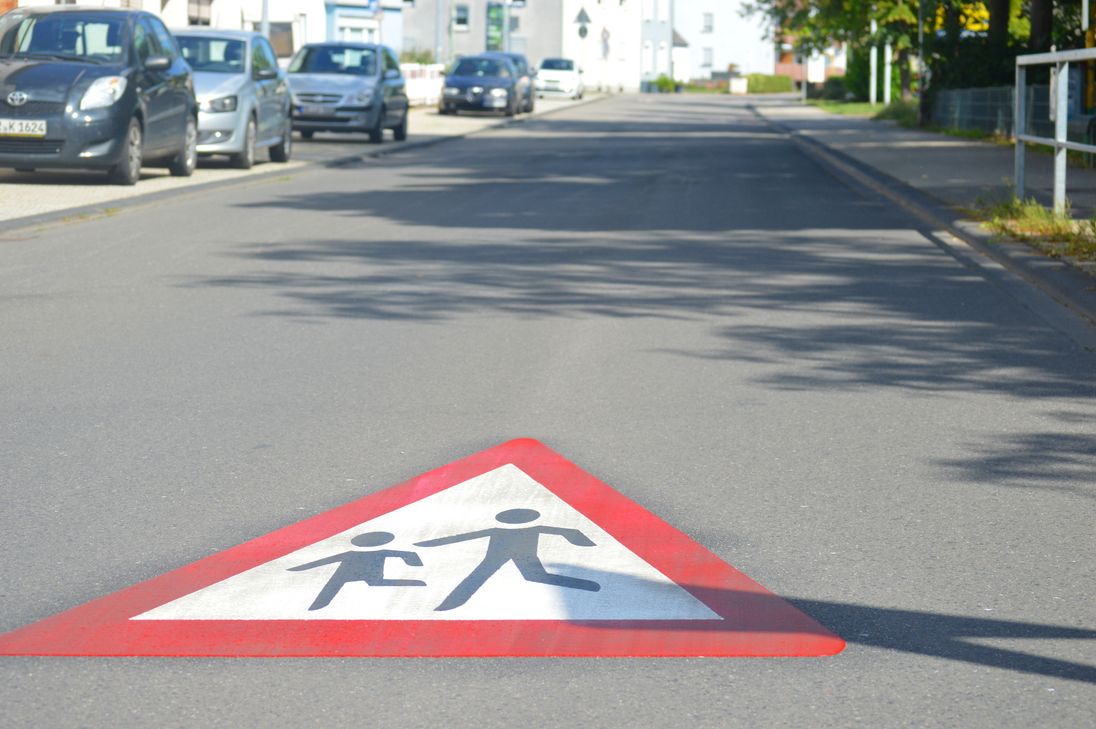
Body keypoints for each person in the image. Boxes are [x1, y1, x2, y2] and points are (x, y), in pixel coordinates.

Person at [415, 508, 600, 611]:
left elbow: (567, 532)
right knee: (483, 574)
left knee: (531, 576)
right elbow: (463, 537)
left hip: (518, 556)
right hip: (498, 557)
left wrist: (581, 540)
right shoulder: (524, 529)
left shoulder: (519, 529)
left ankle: (588, 585)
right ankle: (451, 603)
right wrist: (430, 543)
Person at [287, 531, 424, 611]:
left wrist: (301, 568)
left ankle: (318, 605)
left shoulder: (351, 554)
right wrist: (414, 564)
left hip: (345, 573)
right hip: (359, 573)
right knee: (374, 582)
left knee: (333, 586)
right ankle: (317, 606)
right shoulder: (380, 551)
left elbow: (324, 561)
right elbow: (409, 555)